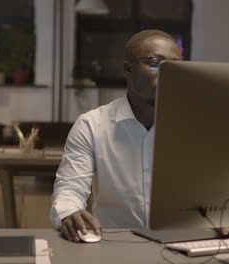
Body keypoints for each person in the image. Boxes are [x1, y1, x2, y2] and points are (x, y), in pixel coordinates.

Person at [50, 30, 182, 242]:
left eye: (175, 66)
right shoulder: (92, 125)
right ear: (128, 69)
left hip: (184, 244)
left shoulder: (193, 125)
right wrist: (69, 213)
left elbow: (218, 186)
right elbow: (70, 187)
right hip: (115, 245)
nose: (167, 73)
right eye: (155, 62)